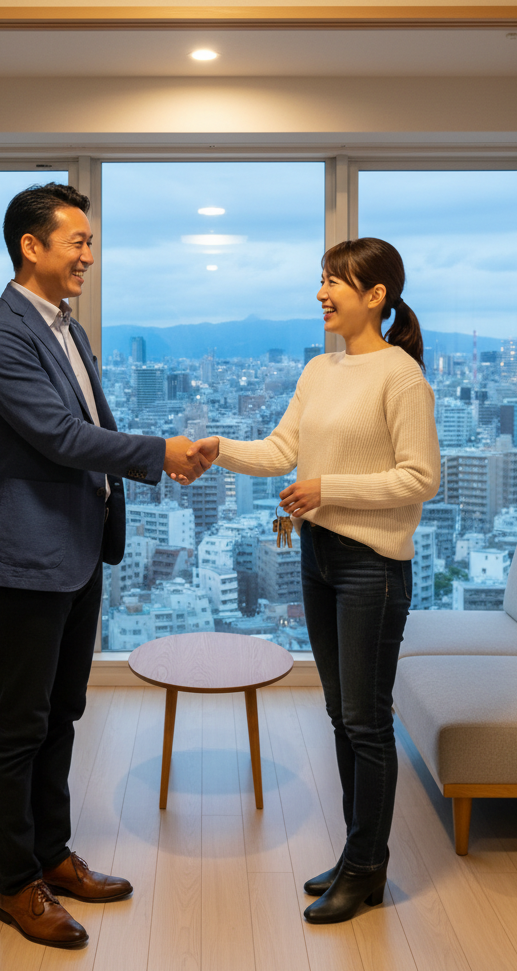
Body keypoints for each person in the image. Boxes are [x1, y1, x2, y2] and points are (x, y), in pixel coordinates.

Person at [0, 182, 208, 949]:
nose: (89, 256)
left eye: (91, 242)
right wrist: (157, 455)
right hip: (26, 556)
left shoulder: (67, 327)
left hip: (75, 551)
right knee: (19, 724)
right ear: (30, 246)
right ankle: (15, 886)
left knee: (62, 714)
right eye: (77, 241)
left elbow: (86, 426)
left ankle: (51, 854)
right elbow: (61, 437)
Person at [187, 237, 440, 924]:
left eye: (335, 282)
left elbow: (423, 478)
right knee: (339, 714)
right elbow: (279, 450)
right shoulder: (320, 370)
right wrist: (219, 449)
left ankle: (367, 866)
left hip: (373, 566)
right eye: (322, 280)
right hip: (319, 555)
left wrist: (329, 489)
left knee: (365, 720)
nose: (322, 293)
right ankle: (359, 852)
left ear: (376, 296)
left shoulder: (402, 377)